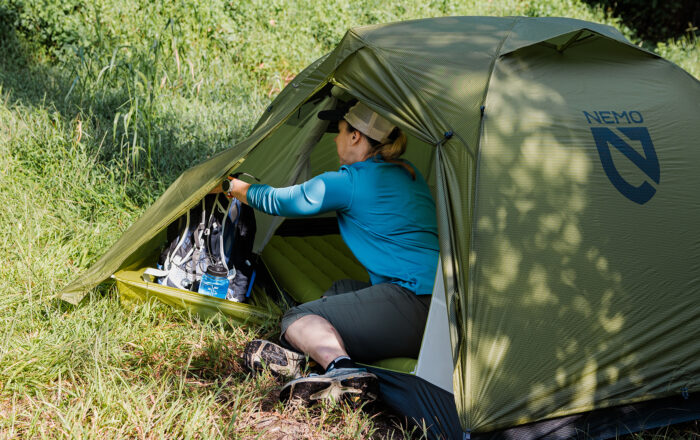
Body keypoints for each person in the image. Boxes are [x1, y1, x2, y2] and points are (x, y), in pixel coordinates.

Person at [218, 101, 439, 404]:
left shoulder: (351, 182)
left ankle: (343, 370)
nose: (335, 139)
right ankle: (301, 359)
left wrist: (234, 188)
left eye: (339, 131)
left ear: (355, 137)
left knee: (298, 317)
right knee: (340, 290)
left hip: (413, 304)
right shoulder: (409, 173)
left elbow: (281, 202)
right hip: (443, 305)